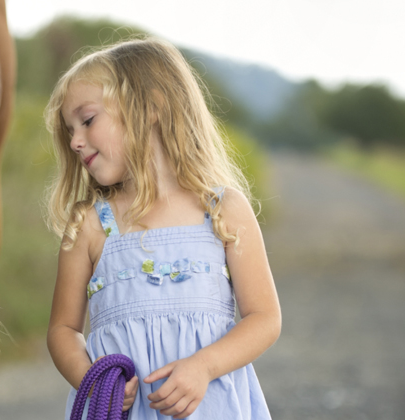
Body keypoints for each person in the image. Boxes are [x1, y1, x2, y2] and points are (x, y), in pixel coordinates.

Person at [45, 37, 281, 420]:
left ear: (150, 106)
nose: (74, 141)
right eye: (69, 129)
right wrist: (90, 378)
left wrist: (204, 366)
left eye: (87, 120)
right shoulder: (90, 224)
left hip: (210, 408)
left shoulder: (222, 210)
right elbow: (63, 329)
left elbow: (264, 319)